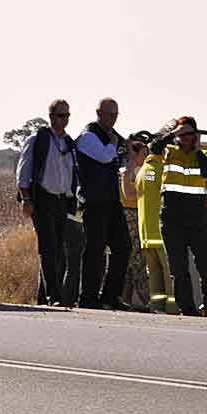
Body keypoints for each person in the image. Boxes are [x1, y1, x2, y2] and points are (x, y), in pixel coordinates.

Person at [146, 116, 207, 317]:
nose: (186, 138)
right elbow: (154, 146)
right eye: (182, 135)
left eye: (190, 134)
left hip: (198, 218)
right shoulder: (167, 152)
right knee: (179, 270)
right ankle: (188, 310)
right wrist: (172, 134)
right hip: (173, 218)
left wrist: (197, 148)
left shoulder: (203, 156)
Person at [15, 99, 78, 306]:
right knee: (49, 249)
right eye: (61, 115)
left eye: (67, 116)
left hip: (61, 201)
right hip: (42, 200)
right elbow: (23, 172)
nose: (65, 120)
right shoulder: (37, 140)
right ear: (51, 116)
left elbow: (70, 174)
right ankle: (55, 296)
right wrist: (26, 199)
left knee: (59, 250)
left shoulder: (68, 143)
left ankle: (44, 297)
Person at [76, 98, 132, 310]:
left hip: (111, 200)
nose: (113, 119)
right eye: (110, 115)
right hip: (94, 202)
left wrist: (128, 150)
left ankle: (110, 296)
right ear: (98, 113)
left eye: (116, 115)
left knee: (123, 247)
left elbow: (122, 162)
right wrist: (117, 144)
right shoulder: (88, 136)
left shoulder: (112, 137)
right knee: (95, 251)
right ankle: (88, 298)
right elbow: (105, 156)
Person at [124, 131, 175, 313]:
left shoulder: (144, 171)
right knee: (168, 273)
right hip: (158, 230)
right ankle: (170, 307)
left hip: (145, 232)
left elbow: (131, 194)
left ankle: (156, 305)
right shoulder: (160, 170)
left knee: (153, 272)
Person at [120, 136, 151, 311]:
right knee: (136, 261)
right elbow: (129, 196)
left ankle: (126, 300)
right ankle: (147, 300)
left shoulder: (146, 171)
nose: (146, 156)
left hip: (142, 215)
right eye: (143, 153)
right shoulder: (127, 172)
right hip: (129, 216)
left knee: (135, 264)